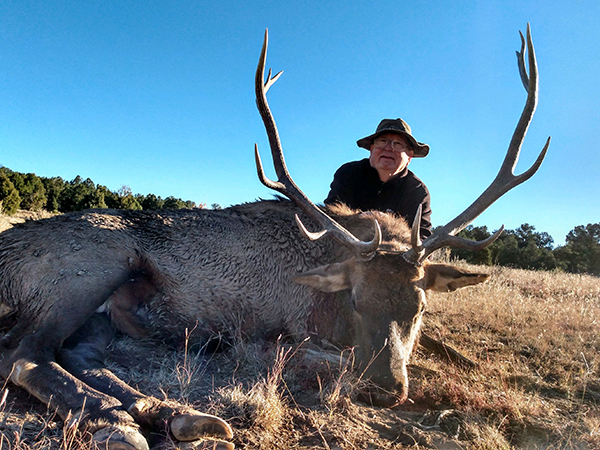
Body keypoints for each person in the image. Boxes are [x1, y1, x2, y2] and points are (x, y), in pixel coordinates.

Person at [325, 118, 432, 238]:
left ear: (409, 157)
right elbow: (329, 220)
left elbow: (423, 239)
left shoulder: (417, 191)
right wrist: (364, 218)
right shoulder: (349, 173)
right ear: (371, 149)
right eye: (382, 141)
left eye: (398, 144)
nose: (388, 148)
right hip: (347, 250)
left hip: (395, 254)